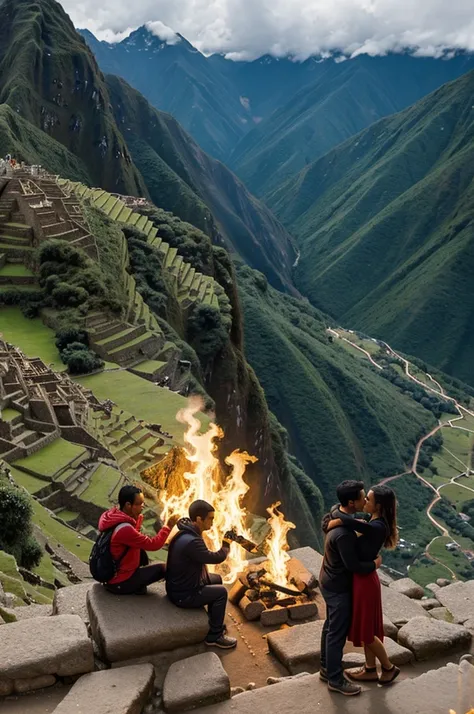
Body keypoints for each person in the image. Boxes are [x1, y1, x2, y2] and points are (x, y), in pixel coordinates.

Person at [326, 484, 400, 685]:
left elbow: (346, 520)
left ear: (378, 506)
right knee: (367, 627)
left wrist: (337, 519)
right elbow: (344, 517)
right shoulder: (373, 521)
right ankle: (369, 669)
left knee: (367, 632)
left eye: (368, 499)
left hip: (365, 581)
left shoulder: (377, 526)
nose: (364, 502)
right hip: (363, 579)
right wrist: (338, 518)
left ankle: (388, 667)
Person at [319, 480, 382, 696]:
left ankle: (327, 668)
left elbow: (329, 520)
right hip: (338, 586)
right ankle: (335, 680)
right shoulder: (344, 533)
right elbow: (353, 565)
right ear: (351, 502)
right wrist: (375, 564)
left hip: (327, 579)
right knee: (336, 633)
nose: (365, 500)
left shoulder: (337, 517)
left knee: (329, 627)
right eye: (362, 497)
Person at [165, 499, 237, 649]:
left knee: (217, 579)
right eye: (210, 518)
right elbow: (215, 558)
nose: (212, 522)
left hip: (178, 585)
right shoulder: (192, 541)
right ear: (199, 519)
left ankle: (213, 620)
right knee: (221, 593)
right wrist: (226, 544)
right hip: (183, 594)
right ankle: (214, 636)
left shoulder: (185, 532)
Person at [98, 484, 176, 594]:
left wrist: (136, 520)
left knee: (143, 557)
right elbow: (154, 545)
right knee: (162, 568)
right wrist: (169, 526)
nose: (142, 507)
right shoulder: (124, 530)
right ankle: (179, 595)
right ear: (128, 505)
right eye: (139, 504)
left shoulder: (112, 516)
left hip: (114, 574)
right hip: (121, 580)